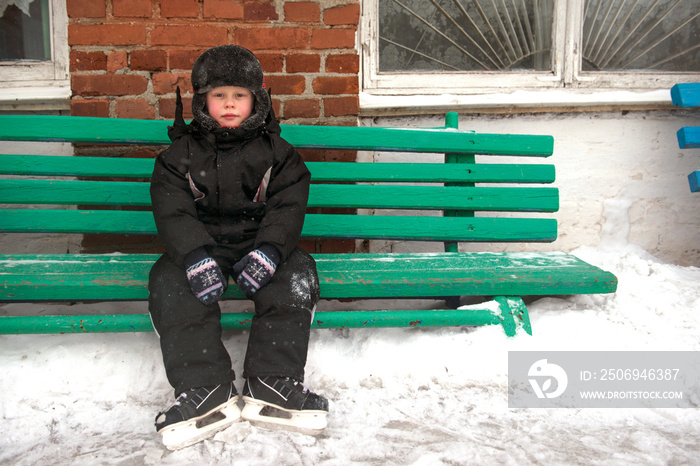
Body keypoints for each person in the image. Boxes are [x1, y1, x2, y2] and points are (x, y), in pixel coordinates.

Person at [148, 45, 328, 450]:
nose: (229, 104)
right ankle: (204, 386)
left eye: (240, 96)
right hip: (201, 247)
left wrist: (270, 252)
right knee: (170, 283)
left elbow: (288, 206)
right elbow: (172, 210)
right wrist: (194, 257)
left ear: (257, 101)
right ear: (201, 101)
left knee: (296, 274)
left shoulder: (278, 155)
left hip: (257, 244)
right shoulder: (178, 156)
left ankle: (272, 381)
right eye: (219, 95)